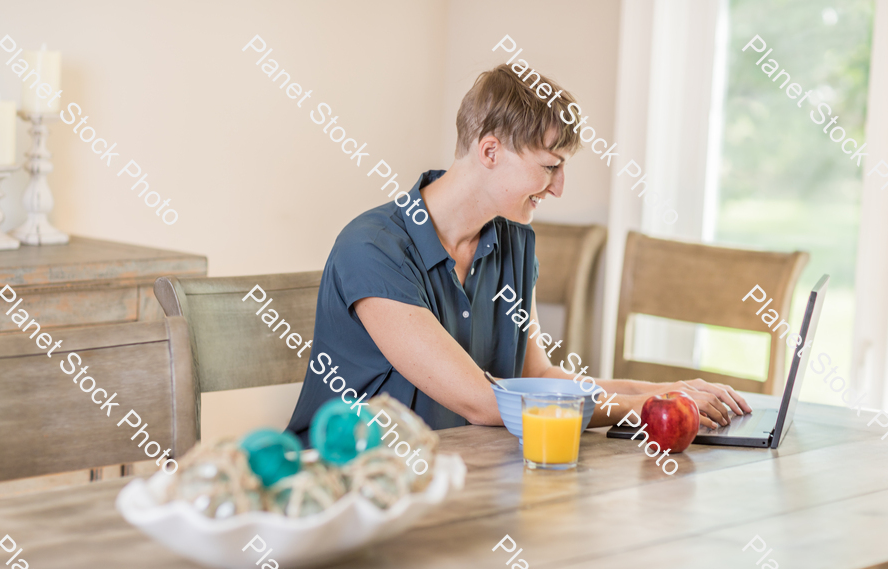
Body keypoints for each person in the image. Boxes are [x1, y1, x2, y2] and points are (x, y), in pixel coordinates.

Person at [286, 64, 750, 442]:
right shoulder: (372, 248)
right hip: (352, 487)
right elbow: (484, 403)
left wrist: (667, 390)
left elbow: (539, 374)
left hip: (460, 474)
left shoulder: (513, 245)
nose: (559, 188)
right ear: (490, 151)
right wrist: (649, 409)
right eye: (550, 167)